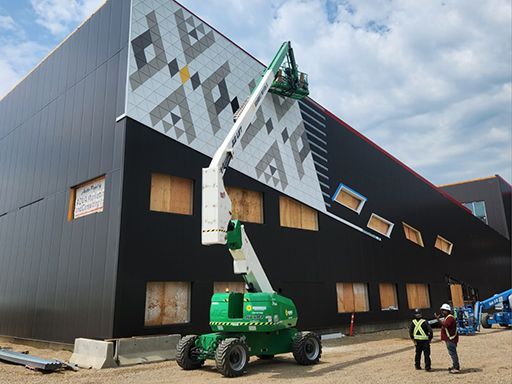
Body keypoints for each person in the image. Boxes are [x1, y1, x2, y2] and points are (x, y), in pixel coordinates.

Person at [435, 303, 460, 374]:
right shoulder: (448, 318)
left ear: (448, 311)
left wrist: (438, 319)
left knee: (453, 353)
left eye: (444, 310)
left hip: (451, 339)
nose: (442, 312)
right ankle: (454, 365)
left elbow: (445, 325)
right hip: (449, 339)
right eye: (442, 310)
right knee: (452, 353)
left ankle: (456, 367)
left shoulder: (450, 318)